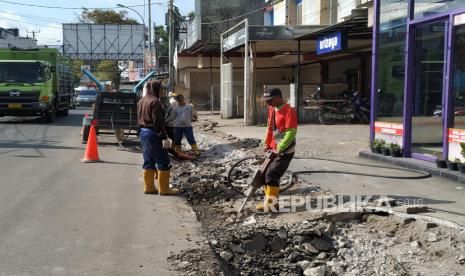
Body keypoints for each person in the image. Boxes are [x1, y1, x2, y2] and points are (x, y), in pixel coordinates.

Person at [258, 87, 298, 212]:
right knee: (264, 174)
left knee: (272, 174)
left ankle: (272, 205)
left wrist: (280, 148)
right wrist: (266, 144)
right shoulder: (272, 109)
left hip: (285, 151)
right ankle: (268, 202)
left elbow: (291, 132)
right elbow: (270, 129)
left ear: (278, 98)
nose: (267, 102)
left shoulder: (289, 110)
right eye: (266, 100)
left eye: (270, 100)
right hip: (273, 148)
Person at [137, 80, 179, 195]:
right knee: (163, 160)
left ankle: (149, 187)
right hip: (153, 133)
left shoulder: (142, 101)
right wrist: (164, 137)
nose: (162, 92)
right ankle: (164, 189)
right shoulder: (155, 102)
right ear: (156, 89)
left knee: (148, 160)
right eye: (161, 89)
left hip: (144, 133)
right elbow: (158, 122)